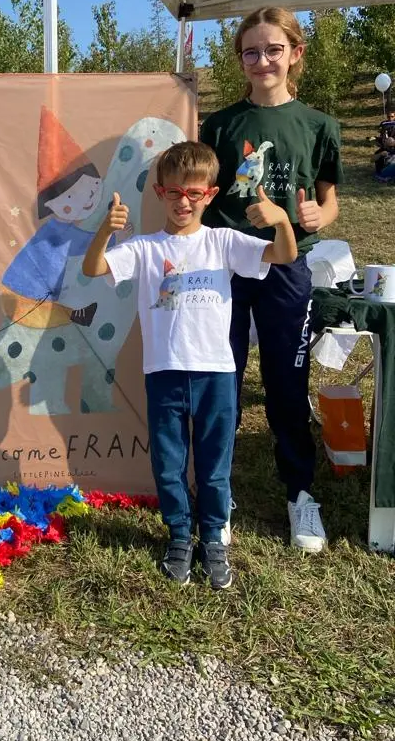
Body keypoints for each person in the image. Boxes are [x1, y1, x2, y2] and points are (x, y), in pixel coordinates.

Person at [83, 142, 297, 589]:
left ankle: (214, 537)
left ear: (211, 194)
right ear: (160, 193)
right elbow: (94, 268)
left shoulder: (222, 242)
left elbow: (284, 256)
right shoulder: (144, 248)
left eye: (194, 194)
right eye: (175, 193)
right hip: (163, 372)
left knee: (215, 464)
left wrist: (281, 222)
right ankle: (180, 535)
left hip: (216, 373)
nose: (184, 202)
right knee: (168, 463)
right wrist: (104, 230)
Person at [200, 6, 343, 553]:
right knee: (222, 379)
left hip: (287, 265)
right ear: (240, 60)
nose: (263, 60)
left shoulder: (319, 126)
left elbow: (329, 200)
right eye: (251, 51)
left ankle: (300, 494)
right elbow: (202, 193)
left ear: (295, 54)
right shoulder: (219, 125)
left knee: (287, 381)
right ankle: (219, 494)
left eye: (273, 49)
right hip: (225, 267)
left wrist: (318, 219)